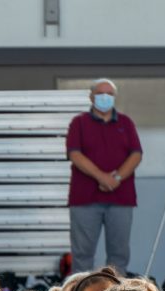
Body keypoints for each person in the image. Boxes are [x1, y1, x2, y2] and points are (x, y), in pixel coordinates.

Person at [65, 78, 143, 272]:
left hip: (121, 199)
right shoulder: (79, 123)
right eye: (100, 94)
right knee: (82, 253)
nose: (105, 98)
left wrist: (116, 179)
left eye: (109, 94)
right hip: (85, 199)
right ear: (91, 97)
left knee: (119, 254)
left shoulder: (126, 123)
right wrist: (102, 177)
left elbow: (136, 154)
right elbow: (75, 154)